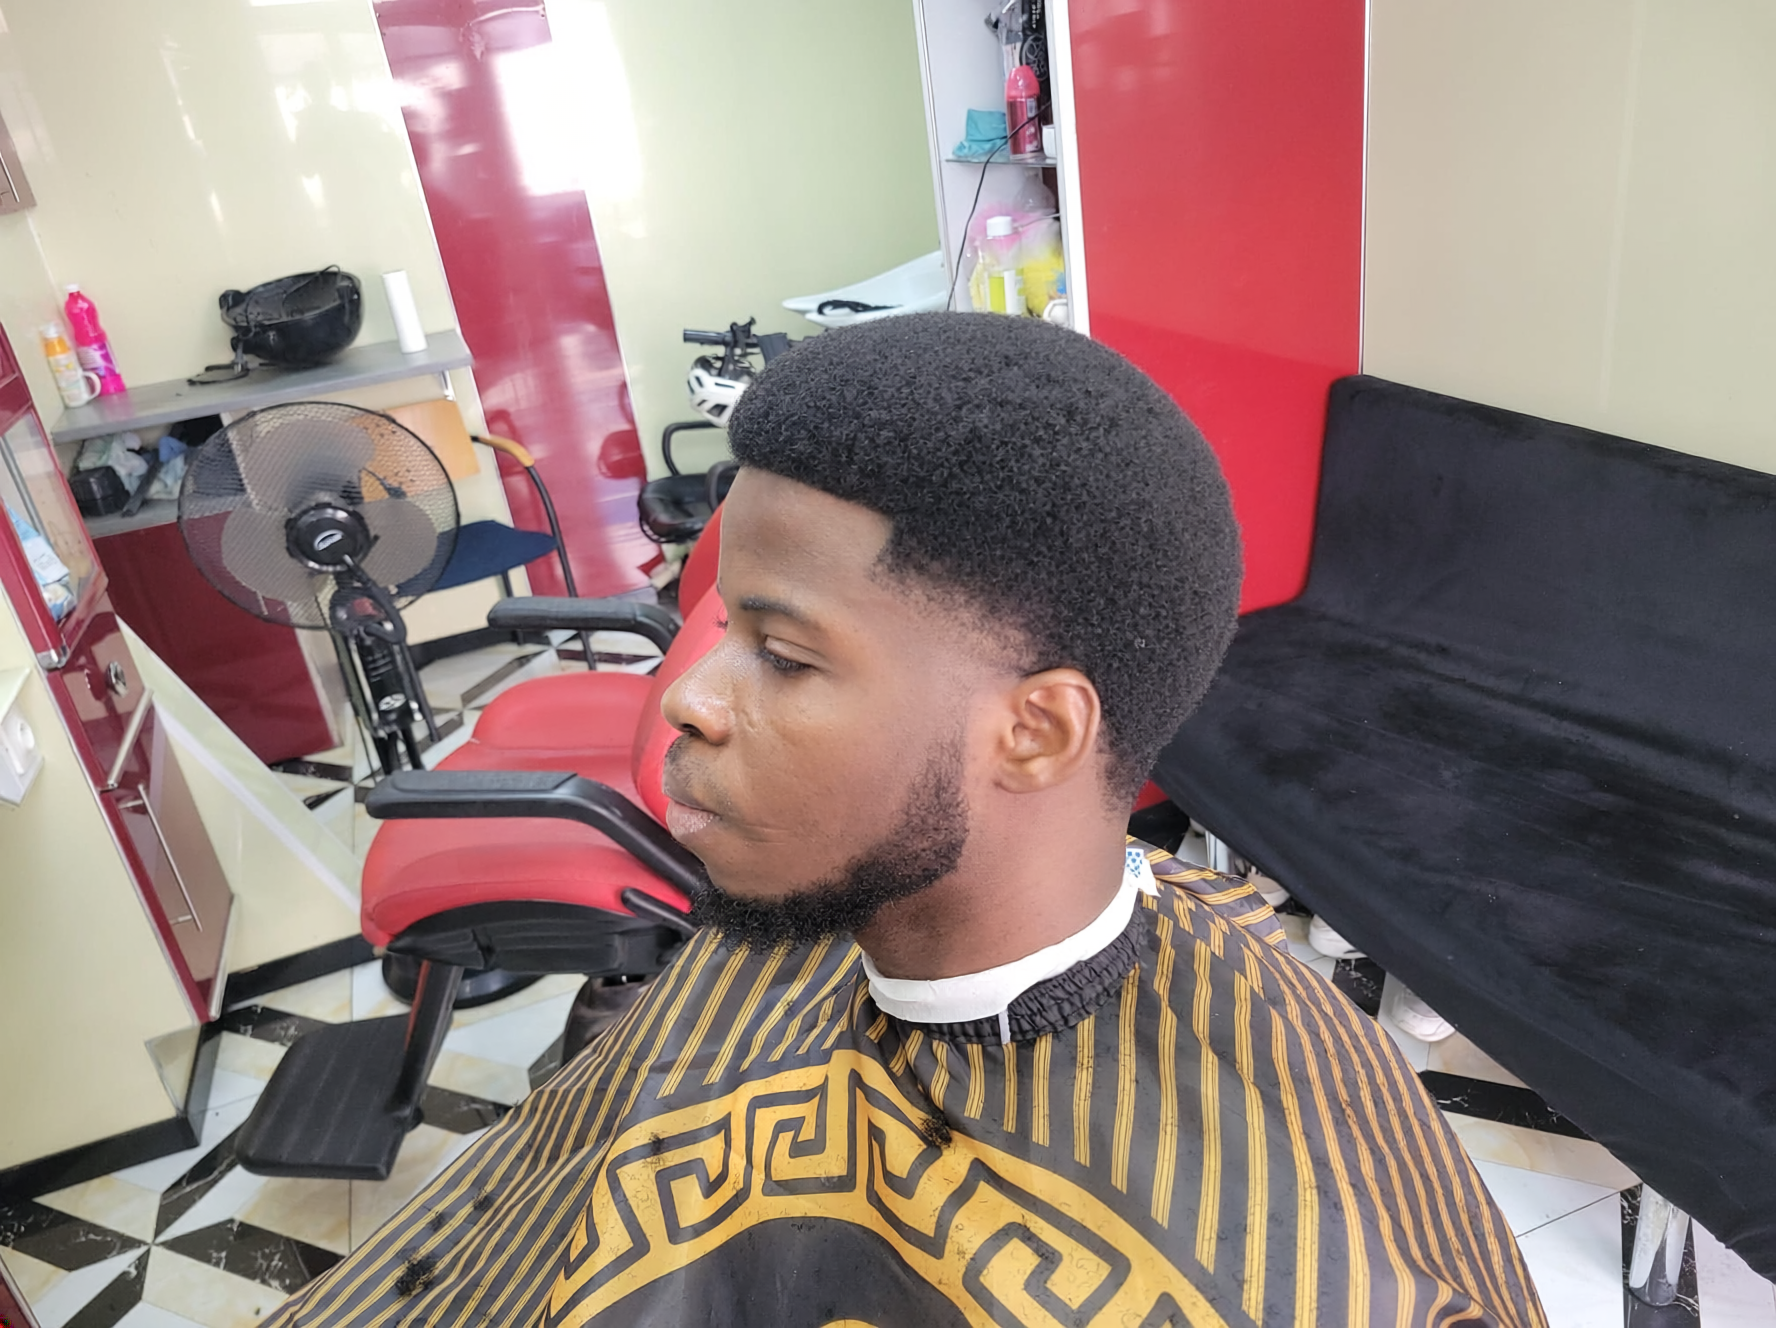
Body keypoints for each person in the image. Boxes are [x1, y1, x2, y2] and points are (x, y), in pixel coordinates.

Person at [265, 313, 1545, 1327]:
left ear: (1033, 730)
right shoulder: (800, 900)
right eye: (725, 629)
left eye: (781, 653)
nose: (691, 700)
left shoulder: (1276, 1247)